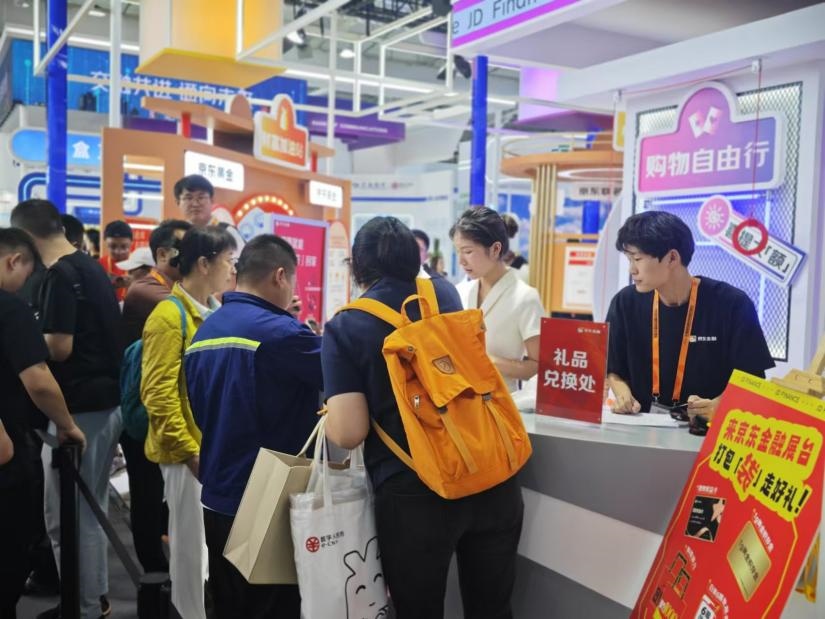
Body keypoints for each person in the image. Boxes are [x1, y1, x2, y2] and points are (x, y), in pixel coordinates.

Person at [323, 217, 524, 618]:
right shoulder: (444, 294)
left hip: (415, 493)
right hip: (490, 474)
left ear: (357, 266)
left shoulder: (347, 325)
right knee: (493, 609)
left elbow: (348, 432)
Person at [185, 234, 322, 618]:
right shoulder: (283, 334)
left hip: (216, 493)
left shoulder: (204, 332)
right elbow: (342, 370)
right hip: (269, 497)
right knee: (275, 608)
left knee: (229, 604)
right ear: (280, 276)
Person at [10, 200, 124, 619]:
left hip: (78, 411)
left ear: (26, 237)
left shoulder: (59, 274)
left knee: (69, 517)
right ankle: (94, 599)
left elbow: (60, 346)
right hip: (102, 404)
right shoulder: (88, 265)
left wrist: (19, 338)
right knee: (87, 511)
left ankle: (84, 607)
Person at [141, 225, 236, 619]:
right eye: (228, 260)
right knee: (190, 552)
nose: (233, 269)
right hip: (187, 455)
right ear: (204, 264)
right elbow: (158, 394)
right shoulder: (169, 315)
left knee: (211, 550)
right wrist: (189, 451)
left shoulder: (215, 312)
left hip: (211, 448)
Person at [606, 211, 775, 420]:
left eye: (637, 259)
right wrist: (622, 394)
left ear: (672, 258)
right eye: (629, 259)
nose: (632, 269)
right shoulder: (624, 303)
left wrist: (721, 405)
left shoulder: (732, 304)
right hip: (641, 425)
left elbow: (753, 379)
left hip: (705, 429)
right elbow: (613, 367)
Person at [0, 228, 86, 619]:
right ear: (13, 261)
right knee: (9, 556)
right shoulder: (10, 309)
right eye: (26, 274)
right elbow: (38, 378)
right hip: (8, 454)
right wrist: (67, 425)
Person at [119, 220, 190, 575]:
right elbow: (200, 317)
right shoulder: (146, 291)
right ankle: (152, 572)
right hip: (143, 413)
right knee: (146, 492)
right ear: (163, 253)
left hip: (162, 409)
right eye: (187, 250)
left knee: (161, 492)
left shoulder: (171, 289)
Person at [450, 207, 544, 392]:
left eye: (467, 251)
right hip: (458, 398)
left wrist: (487, 361)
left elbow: (539, 367)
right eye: (458, 251)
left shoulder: (525, 298)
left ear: (495, 249)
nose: (461, 261)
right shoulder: (460, 291)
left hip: (501, 400)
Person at [98, 220, 133, 303]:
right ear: (105, 243)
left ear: (131, 243)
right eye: (112, 246)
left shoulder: (140, 266)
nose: (118, 252)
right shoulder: (98, 265)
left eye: (124, 247)